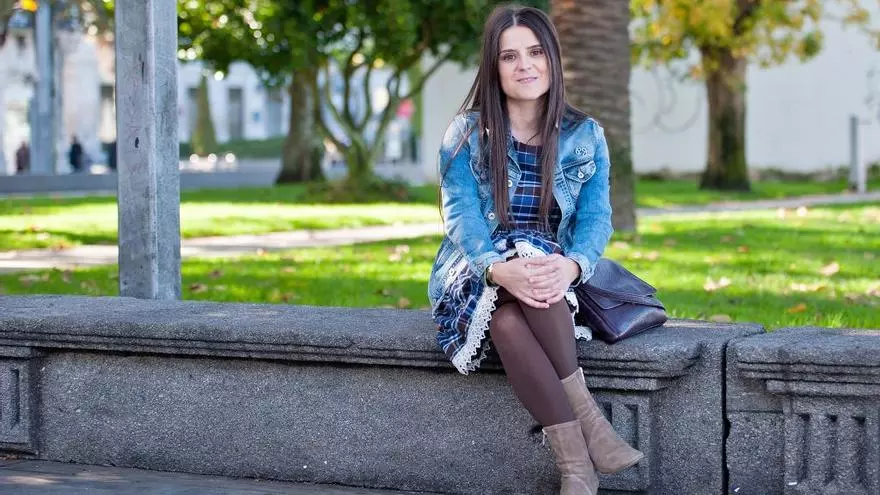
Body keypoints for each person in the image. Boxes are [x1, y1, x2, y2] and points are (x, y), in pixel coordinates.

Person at [427, 6, 642, 494]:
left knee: (509, 320)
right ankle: (593, 428)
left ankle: (577, 470)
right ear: (494, 66)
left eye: (535, 52)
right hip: (475, 271)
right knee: (519, 272)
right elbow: (461, 216)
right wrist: (496, 269)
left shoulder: (585, 135)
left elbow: (596, 219)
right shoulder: (466, 134)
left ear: (552, 60)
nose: (525, 65)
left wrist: (573, 265)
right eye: (510, 56)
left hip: (549, 274)